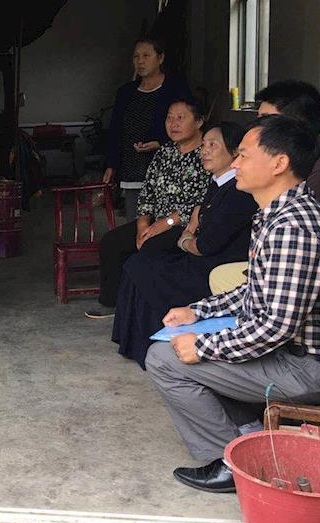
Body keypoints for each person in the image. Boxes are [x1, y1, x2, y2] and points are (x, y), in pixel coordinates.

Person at [146, 116, 320, 493]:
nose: (236, 163)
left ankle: (236, 462)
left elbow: (275, 325)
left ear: (279, 163)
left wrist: (202, 346)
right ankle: (248, 432)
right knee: (182, 339)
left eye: (244, 155)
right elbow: (256, 290)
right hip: (290, 354)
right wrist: (199, 312)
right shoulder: (278, 213)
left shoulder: (294, 228)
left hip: (305, 368)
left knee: (164, 360)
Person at [208, 80, 320, 315]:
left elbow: (293, 243)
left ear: (292, 125)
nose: (258, 127)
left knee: (220, 275)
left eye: (266, 120)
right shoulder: (313, 162)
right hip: (296, 269)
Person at [112, 122, 256, 367]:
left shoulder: (237, 192)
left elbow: (204, 245)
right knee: (139, 264)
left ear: (234, 152)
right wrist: (188, 235)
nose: (205, 151)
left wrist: (185, 239)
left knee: (145, 268)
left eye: (213, 145)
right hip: (202, 257)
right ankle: (137, 344)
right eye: (204, 145)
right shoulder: (218, 183)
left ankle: (151, 347)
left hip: (215, 265)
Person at [85, 100, 208, 318]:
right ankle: (110, 302)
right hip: (156, 222)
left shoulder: (207, 154)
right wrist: (143, 224)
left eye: (181, 118)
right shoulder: (165, 152)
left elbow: (204, 199)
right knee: (112, 242)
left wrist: (165, 223)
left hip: (188, 225)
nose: (173, 124)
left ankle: (150, 306)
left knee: (150, 248)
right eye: (169, 117)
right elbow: (148, 190)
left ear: (199, 122)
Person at [103, 38, 192, 219]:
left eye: (146, 55)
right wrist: (112, 164)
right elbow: (115, 129)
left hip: (168, 168)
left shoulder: (175, 89)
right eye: (136, 56)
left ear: (160, 58)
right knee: (135, 221)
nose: (140, 61)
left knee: (165, 221)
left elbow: (188, 126)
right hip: (132, 167)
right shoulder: (126, 92)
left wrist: (161, 143)